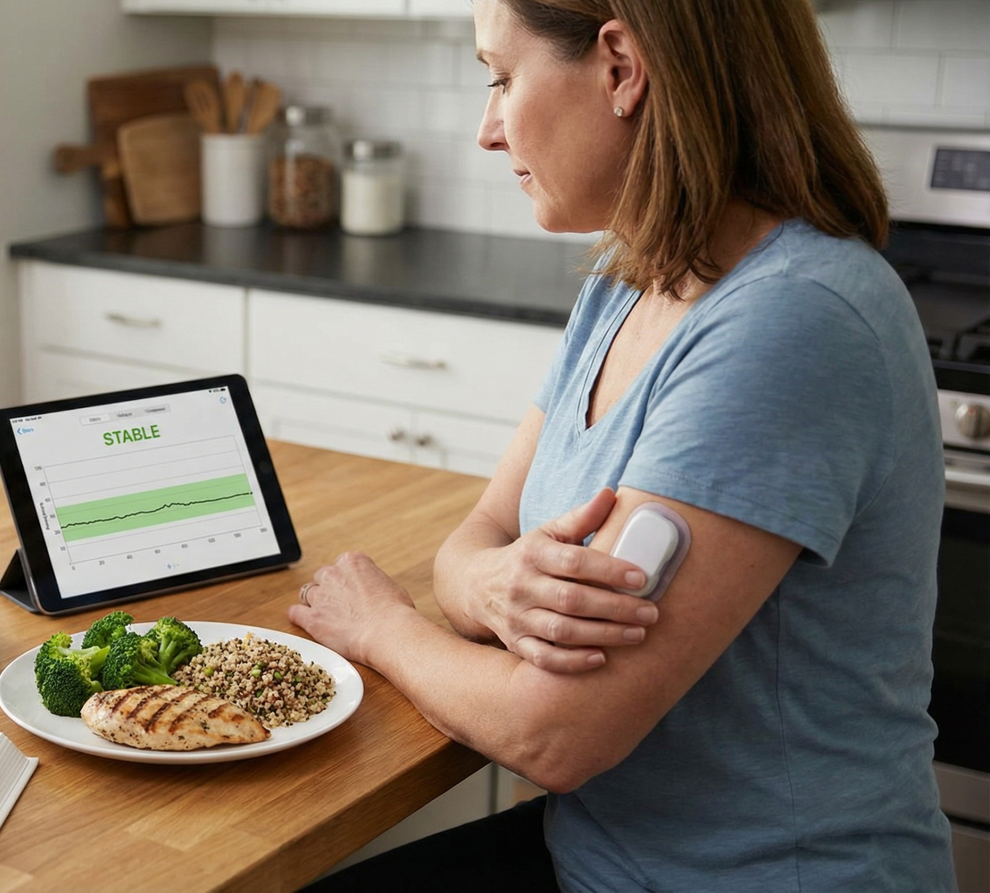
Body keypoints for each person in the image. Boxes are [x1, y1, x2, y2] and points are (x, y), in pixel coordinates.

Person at [291, 0, 956, 889]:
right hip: (601, 858)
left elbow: (555, 732)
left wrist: (380, 625)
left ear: (620, 67)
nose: (488, 129)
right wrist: (490, 582)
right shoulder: (629, 280)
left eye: (503, 78)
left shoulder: (792, 318)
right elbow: (478, 533)